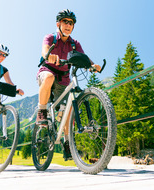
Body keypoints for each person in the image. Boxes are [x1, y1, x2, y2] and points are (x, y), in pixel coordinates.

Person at [36, 9, 101, 160]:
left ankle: (67, 143)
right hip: (47, 70)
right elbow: (44, 50)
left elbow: (83, 57)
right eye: (65, 22)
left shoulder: (74, 43)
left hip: (64, 77)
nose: (68, 25)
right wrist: (48, 55)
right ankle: (42, 111)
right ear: (58, 24)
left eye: (71, 23)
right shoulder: (50, 37)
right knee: (49, 77)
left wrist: (92, 65)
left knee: (69, 108)